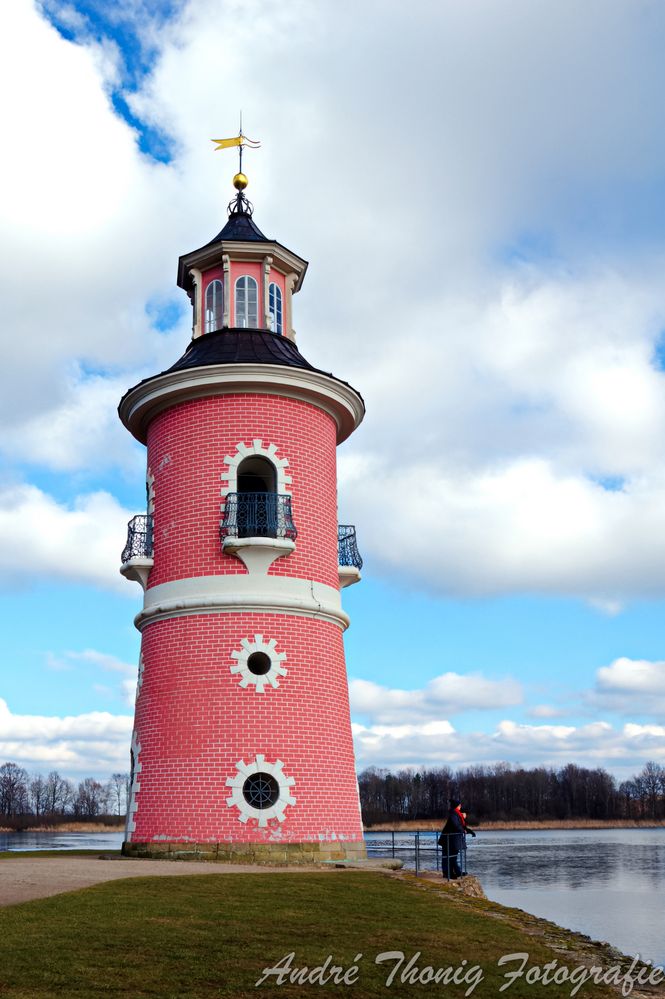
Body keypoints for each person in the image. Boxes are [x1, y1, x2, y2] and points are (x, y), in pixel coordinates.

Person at [438, 795, 476, 879]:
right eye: (459, 805)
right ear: (456, 806)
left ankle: (456, 872)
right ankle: (448, 873)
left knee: (452, 857)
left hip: (452, 839)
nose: (460, 806)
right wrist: (463, 830)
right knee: (448, 857)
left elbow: (460, 825)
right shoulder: (453, 814)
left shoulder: (456, 814)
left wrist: (469, 831)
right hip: (448, 839)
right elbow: (456, 825)